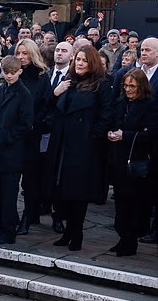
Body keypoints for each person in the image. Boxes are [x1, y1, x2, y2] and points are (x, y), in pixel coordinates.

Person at [49, 45, 112, 251]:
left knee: (78, 193)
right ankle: (67, 231)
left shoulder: (101, 85)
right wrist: (55, 93)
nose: (80, 64)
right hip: (63, 145)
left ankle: (76, 233)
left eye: (84, 61)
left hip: (84, 147)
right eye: (78, 60)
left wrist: (92, 137)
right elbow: (54, 109)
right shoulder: (69, 82)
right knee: (62, 190)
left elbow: (105, 115)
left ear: (92, 62)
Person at [108, 69, 158, 256]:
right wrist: (112, 133)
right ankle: (122, 238)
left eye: (132, 86)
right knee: (120, 203)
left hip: (136, 162)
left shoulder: (149, 106)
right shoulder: (121, 103)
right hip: (118, 160)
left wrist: (125, 135)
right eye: (126, 86)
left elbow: (150, 133)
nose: (128, 89)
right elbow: (114, 122)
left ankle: (130, 242)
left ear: (141, 87)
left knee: (133, 205)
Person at [0, 56, 34, 244]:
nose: (10, 76)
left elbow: (25, 124)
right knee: (0, 192)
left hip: (12, 152)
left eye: (13, 73)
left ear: (20, 71)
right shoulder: (2, 89)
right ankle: (2, 226)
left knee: (8, 193)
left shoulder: (24, 94)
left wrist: (5, 137)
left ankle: (8, 231)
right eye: (7, 73)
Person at [14, 39, 52, 235]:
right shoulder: (14, 74)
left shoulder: (41, 76)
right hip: (14, 135)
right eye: (18, 53)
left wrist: (33, 123)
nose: (21, 57)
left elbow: (46, 104)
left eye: (25, 53)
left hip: (33, 134)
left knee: (30, 179)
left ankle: (28, 217)